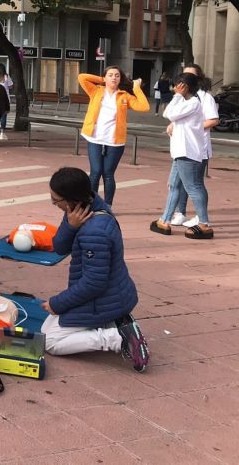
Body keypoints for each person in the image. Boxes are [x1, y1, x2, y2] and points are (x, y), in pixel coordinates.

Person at [40, 167, 149, 372]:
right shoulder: (82, 208)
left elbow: (94, 283)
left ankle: (117, 337)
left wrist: (57, 303)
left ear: (70, 199)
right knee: (46, 328)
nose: (54, 204)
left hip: (102, 298)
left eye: (56, 200)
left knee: (49, 340)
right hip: (110, 295)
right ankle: (115, 322)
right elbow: (59, 247)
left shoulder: (95, 230)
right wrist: (70, 226)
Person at [151, 73, 214, 239]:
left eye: (178, 85)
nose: (175, 88)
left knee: (193, 186)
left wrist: (177, 96)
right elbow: (169, 113)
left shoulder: (193, 103)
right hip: (181, 152)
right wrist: (178, 97)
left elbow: (169, 114)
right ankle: (165, 219)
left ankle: (204, 224)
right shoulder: (187, 102)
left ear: (184, 87)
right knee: (174, 185)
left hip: (188, 152)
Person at [78, 66, 148, 205]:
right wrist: (102, 80)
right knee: (95, 172)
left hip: (115, 140)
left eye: (117, 75)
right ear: (105, 77)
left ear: (120, 79)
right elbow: (82, 77)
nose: (114, 78)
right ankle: (92, 204)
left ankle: (108, 205)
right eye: (110, 75)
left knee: (108, 174)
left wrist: (136, 87)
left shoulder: (124, 95)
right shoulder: (96, 90)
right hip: (95, 138)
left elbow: (144, 106)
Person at [169, 64, 218, 228]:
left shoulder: (204, 97)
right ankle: (180, 212)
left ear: (198, 78)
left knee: (194, 184)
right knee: (177, 183)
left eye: (191, 76)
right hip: (181, 148)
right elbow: (174, 116)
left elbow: (213, 120)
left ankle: (201, 218)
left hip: (198, 148)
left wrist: (194, 127)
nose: (186, 80)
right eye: (184, 76)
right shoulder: (183, 97)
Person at [0, 63, 13, 141]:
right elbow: (10, 86)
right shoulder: (6, 76)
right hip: (5, 99)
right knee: (3, 116)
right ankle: (2, 133)